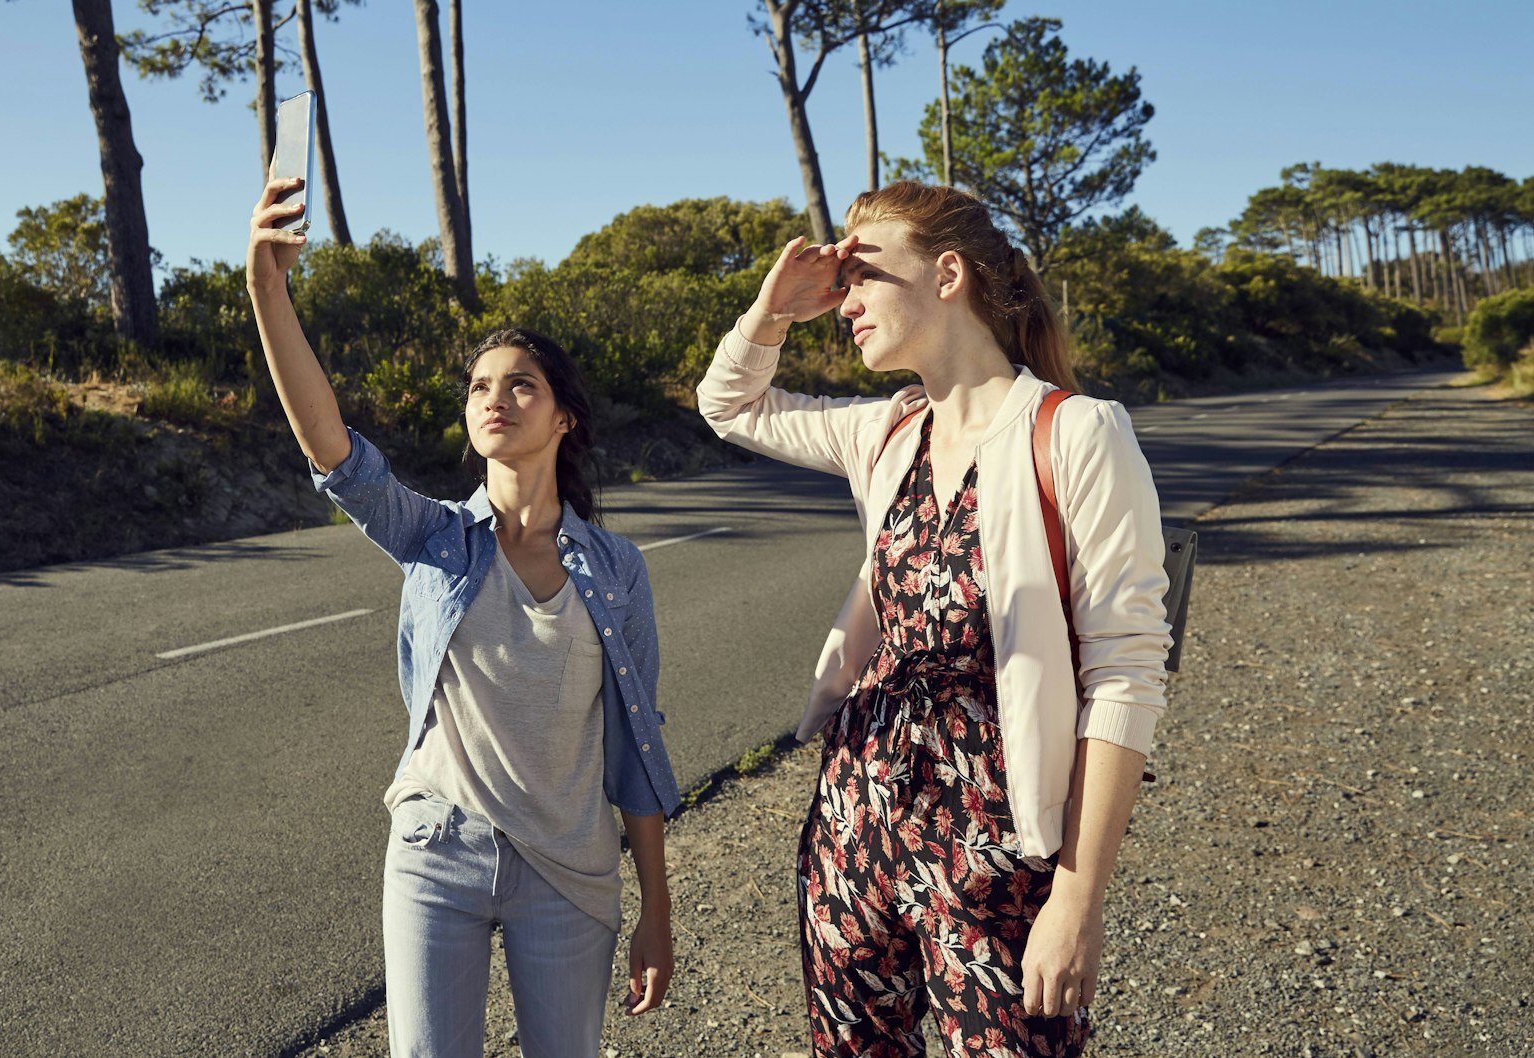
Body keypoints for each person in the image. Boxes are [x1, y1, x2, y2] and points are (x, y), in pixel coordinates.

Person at [696, 180, 1171, 1058]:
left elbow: (1126, 676)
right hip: (856, 817)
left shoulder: (1076, 434)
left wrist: (1078, 896)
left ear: (947, 274)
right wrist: (773, 311)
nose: (846, 303)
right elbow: (729, 404)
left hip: (998, 843)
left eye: (863, 275)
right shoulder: (884, 431)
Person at [245, 177, 677, 1058]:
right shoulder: (435, 539)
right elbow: (333, 449)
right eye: (481, 385)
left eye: (522, 386)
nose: (495, 398)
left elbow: (638, 750)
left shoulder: (617, 570)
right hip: (436, 851)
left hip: (567, 867)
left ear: (565, 418)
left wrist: (657, 916)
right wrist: (266, 287)